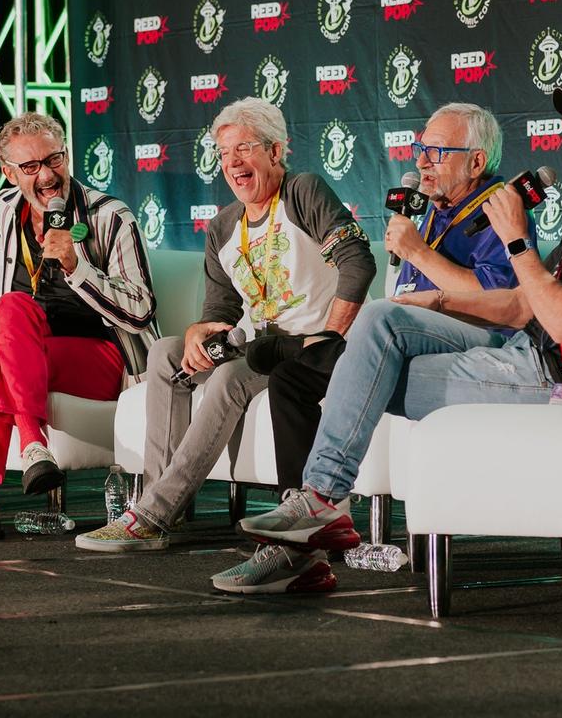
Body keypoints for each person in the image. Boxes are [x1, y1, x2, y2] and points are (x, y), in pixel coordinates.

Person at [219, 78, 562, 593]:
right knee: (378, 325)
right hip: (525, 355)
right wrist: (435, 301)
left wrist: (516, 239)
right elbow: (521, 305)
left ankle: (316, 509)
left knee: (352, 373)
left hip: (558, 381)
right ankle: (314, 515)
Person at [75, 97, 376, 558]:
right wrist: (199, 333)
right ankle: (159, 503)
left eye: (244, 149)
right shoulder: (222, 226)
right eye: (223, 153)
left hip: (315, 348)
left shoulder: (303, 192)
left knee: (233, 376)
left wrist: (330, 337)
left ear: (275, 152)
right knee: (166, 353)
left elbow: (357, 262)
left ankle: (152, 515)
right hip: (261, 346)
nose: (232, 162)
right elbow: (221, 309)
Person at [0, 112, 158, 542]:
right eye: (31, 166)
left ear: (66, 155)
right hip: (33, 351)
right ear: (9, 173)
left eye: (54, 159)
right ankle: (20, 458)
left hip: (105, 357)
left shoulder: (111, 216)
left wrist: (77, 267)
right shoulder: (3, 210)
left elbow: (141, 310)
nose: (47, 176)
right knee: (0, 332)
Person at [264, 102, 530, 496]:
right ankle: (299, 502)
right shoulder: (434, 208)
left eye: (436, 152)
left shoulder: (499, 209)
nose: (422, 162)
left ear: (476, 162)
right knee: (291, 379)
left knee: (379, 320)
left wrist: (419, 253)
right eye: (420, 149)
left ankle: (323, 492)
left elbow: (501, 302)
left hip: (480, 337)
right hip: (411, 332)